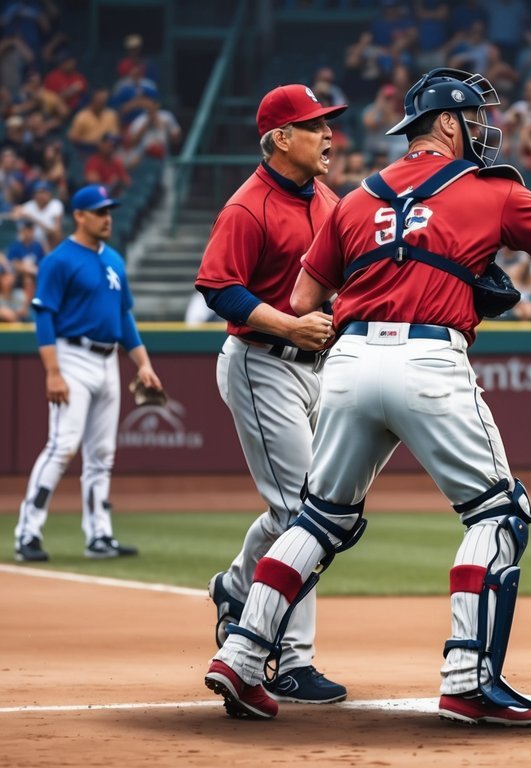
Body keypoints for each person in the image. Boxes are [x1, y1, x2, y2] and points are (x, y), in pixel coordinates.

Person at [204, 67, 531, 726]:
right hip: (427, 358)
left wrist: (398, 279)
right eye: (472, 118)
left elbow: (304, 302)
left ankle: (243, 655)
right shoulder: (491, 190)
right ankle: (467, 679)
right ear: (446, 124)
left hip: (349, 359)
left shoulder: (355, 198)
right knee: (497, 513)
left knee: (318, 519)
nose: (480, 129)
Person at [194, 84, 350, 706]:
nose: (328, 135)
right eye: (315, 126)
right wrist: (288, 325)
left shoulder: (330, 200)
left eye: (327, 124)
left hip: (316, 367)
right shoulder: (247, 207)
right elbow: (217, 287)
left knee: (297, 509)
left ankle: (236, 588)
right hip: (261, 364)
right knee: (306, 516)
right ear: (280, 138)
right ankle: (289, 659)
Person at [13, 184, 162, 562]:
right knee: (63, 445)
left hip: (108, 358)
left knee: (102, 454)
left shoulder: (113, 259)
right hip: (70, 356)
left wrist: (142, 363)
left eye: (109, 210)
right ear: (78, 216)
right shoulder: (59, 260)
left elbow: (124, 316)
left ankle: (99, 535)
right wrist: (52, 372)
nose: (107, 217)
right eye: (99, 211)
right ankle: (27, 532)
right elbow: (43, 316)